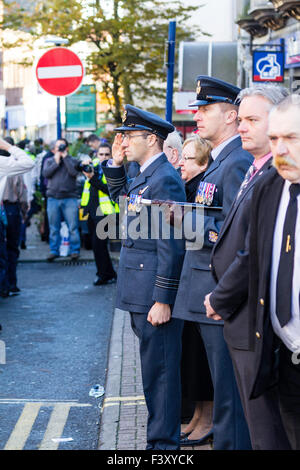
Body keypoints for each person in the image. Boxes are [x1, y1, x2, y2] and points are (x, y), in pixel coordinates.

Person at [204, 84, 291, 450]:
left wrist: (220, 298)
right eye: (241, 120)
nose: (241, 127)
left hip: (251, 314)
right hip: (242, 315)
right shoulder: (255, 169)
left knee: (267, 430)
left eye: (252, 120)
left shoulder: (273, 175)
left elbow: (252, 251)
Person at [172, 76, 253, 450]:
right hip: (206, 285)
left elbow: (234, 232)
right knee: (221, 390)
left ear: (231, 115)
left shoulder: (236, 161)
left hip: (217, 289)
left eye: (205, 110)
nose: (197, 116)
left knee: (228, 397)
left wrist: (185, 219)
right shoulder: (223, 160)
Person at [102, 104, 186, 450]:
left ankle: (163, 446)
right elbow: (122, 205)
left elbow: (172, 243)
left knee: (161, 375)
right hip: (141, 291)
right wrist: (116, 165)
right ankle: (160, 440)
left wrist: (163, 299)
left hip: (153, 294)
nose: (123, 142)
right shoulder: (145, 174)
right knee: (153, 374)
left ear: (151, 139)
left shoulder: (164, 178)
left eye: (129, 136)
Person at [229, 94, 300, 449]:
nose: (281, 148)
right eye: (275, 139)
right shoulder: (270, 187)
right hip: (283, 352)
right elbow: (256, 256)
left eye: (293, 138)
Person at [178, 135, 214, 443]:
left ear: (203, 163)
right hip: (191, 279)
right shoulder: (190, 187)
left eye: (188, 159)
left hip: (205, 281)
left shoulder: (202, 187)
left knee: (203, 359)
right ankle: (198, 415)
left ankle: (208, 419)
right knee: (193, 356)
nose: (181, 163)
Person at [0, 137, 34, 302]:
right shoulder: (6, 164)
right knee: (11, 249)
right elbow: (28, 164)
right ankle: (10, 284)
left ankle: (6, 285)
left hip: (6, 209)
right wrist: (24, 212)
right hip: (10, 210)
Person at [79, 142, 117, 285]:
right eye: (101, 154)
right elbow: (79, 169)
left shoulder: (114, 168)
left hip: (106, 213)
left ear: (111, 155)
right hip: (91, 212)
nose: (104, 157)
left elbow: (108, 189)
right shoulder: (93, 165)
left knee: (99, 245)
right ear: (96, 154)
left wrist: (92, 178)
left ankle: (103, 275)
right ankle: (109, 273)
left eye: (107, 154)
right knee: (96, 246)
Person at [42, 138, 81, 261]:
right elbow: (46, 174)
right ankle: (54, 251)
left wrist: (65, 158)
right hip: (53, 198)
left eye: (62, 146)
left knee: (73, 227)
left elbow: (74, 172)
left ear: (67, 148)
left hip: (70, 198)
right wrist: (56, 161)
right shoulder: (49, 161)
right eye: (58, 146)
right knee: (54, 227)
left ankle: (74, 251)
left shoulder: (73, 160)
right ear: (54, 149)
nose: (60, 149)